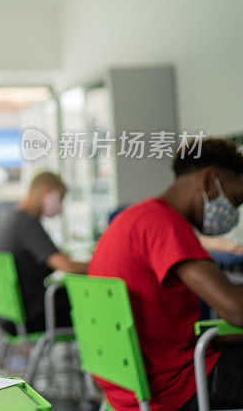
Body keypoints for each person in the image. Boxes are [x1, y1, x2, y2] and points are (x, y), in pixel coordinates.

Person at [90, 137, 243, 411]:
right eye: (236, 199)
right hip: (176, 386)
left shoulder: (130, 219)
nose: (234, 212)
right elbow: (237, 310)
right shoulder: (164, 224)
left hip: (129, 386)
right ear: (209, 180)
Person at [0, 171, 88, 335]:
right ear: (47, 189)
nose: (61, 205)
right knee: (95, 302)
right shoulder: (27, 223)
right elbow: (67, 266)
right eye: (61, 197)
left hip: (9, 315)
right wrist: (100, 262)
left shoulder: (12, 219)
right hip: (32, 315)